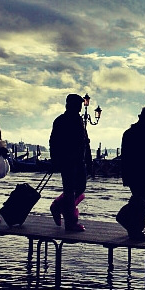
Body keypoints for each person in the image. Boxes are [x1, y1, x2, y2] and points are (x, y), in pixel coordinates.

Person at [116, 107, 145, 241]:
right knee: (142, 200)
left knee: (141, 199)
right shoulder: (144, 133)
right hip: (137, 171)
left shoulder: (130, 133)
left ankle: (135, 227)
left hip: (137, 171)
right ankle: (131, 225)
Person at [49, 94, 92, 232]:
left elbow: (85, 141)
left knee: (79, 188)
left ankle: (57, 206)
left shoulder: (78, 120)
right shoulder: (61, 120)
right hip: (67, 160)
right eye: (78, 104)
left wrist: (89, 161)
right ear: (70, 105)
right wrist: (55, 159)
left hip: (79, 160)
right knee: (69, 191)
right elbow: (54, 142)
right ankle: (70, 222)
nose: (80, 107)